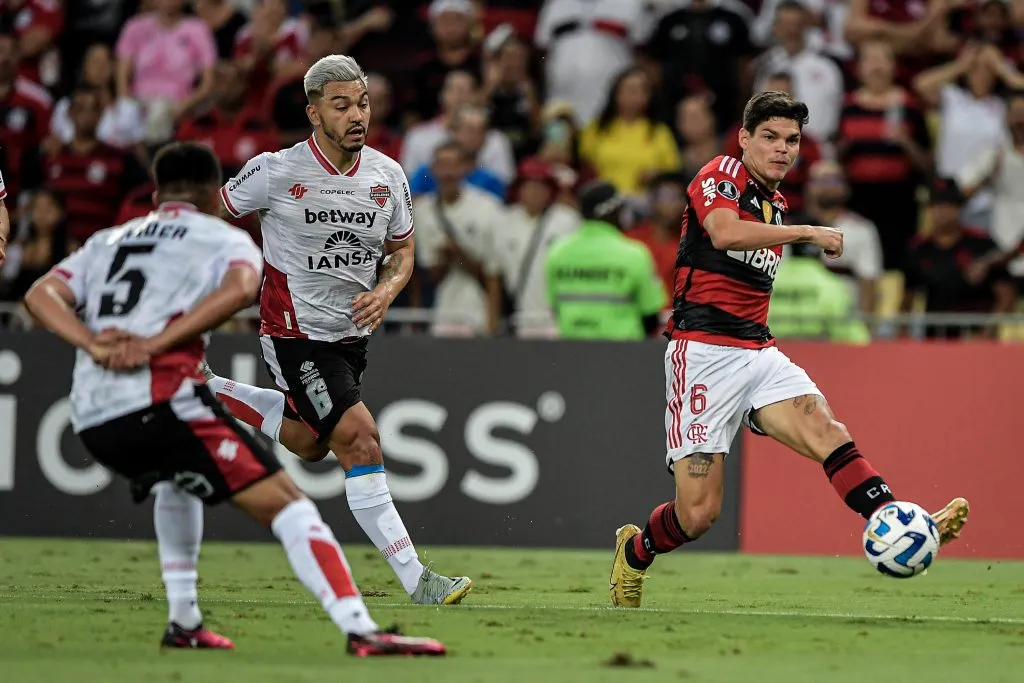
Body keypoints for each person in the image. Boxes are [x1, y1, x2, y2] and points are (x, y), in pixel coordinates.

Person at [21, 141, 446, 656]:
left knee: (191, 480)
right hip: (165, 402)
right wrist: (155, 346)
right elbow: (245, 287)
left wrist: (92, 344)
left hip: (90, 414)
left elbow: (40, 294)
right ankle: (362, 628)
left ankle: (184, 621)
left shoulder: (108, 240)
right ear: (208, 193)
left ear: (156, 194)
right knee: (292, 508)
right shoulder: (219, 238)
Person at [608, 91, 970, 609]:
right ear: (745, 139)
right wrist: (806, 231)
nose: (782, 149)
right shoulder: (721, 175)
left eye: (792, 140)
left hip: (758, 352)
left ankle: (896, 521)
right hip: (703, 355)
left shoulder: (774, 203)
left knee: (829, 432)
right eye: (771, 138)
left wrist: (792, 226)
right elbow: (724, 233)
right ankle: (635, 550)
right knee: (698, 516)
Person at [207, 54, 472, 605]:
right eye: (342, 104)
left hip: (350, 338)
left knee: (307, 442)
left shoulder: (387, 175)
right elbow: (214, 216)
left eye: (364, 103)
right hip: (293, 332)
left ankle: (203, 388)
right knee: (360, 438)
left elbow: (402, 249)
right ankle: (416, 580)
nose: (357, 115)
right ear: (313, 112)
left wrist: (387, 290)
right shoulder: (275, 171)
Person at [545, 180, 667, 340]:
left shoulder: (557, 251)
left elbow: (554, 306)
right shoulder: (634, 254)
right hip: (623, 352)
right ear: (611, 212)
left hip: (571, 351)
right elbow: (651, 314)